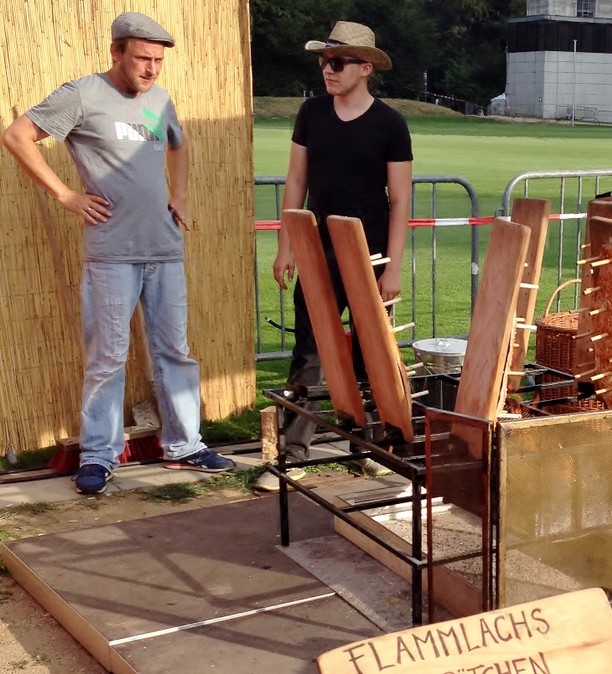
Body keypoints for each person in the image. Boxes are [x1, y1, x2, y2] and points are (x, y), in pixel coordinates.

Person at [2, 12, 233, 494]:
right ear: (116, 52)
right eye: (142, 59)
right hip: (111, 252)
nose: (151, 69)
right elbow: (16, 136)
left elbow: (178, 145)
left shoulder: (160, 99)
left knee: (175, 351)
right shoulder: (81, 95)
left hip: (165, 248)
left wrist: (181, 193)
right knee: (107, 357)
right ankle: (99, 456)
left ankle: (184, 445)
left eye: (158, 60)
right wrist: (66, 195)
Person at [255, 21, 413, 491]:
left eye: (338, 62)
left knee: (371, 356)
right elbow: (296, 182)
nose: (328, 69)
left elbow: (401, 200)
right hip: (319, 248)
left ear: (365, 68)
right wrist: (286, 245)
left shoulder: (390, 123)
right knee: (311, 351)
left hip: (373, 254)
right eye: (325, 61)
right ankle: (293, 454)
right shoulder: (311, 113)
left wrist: (395, 268)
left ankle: (368, 450)